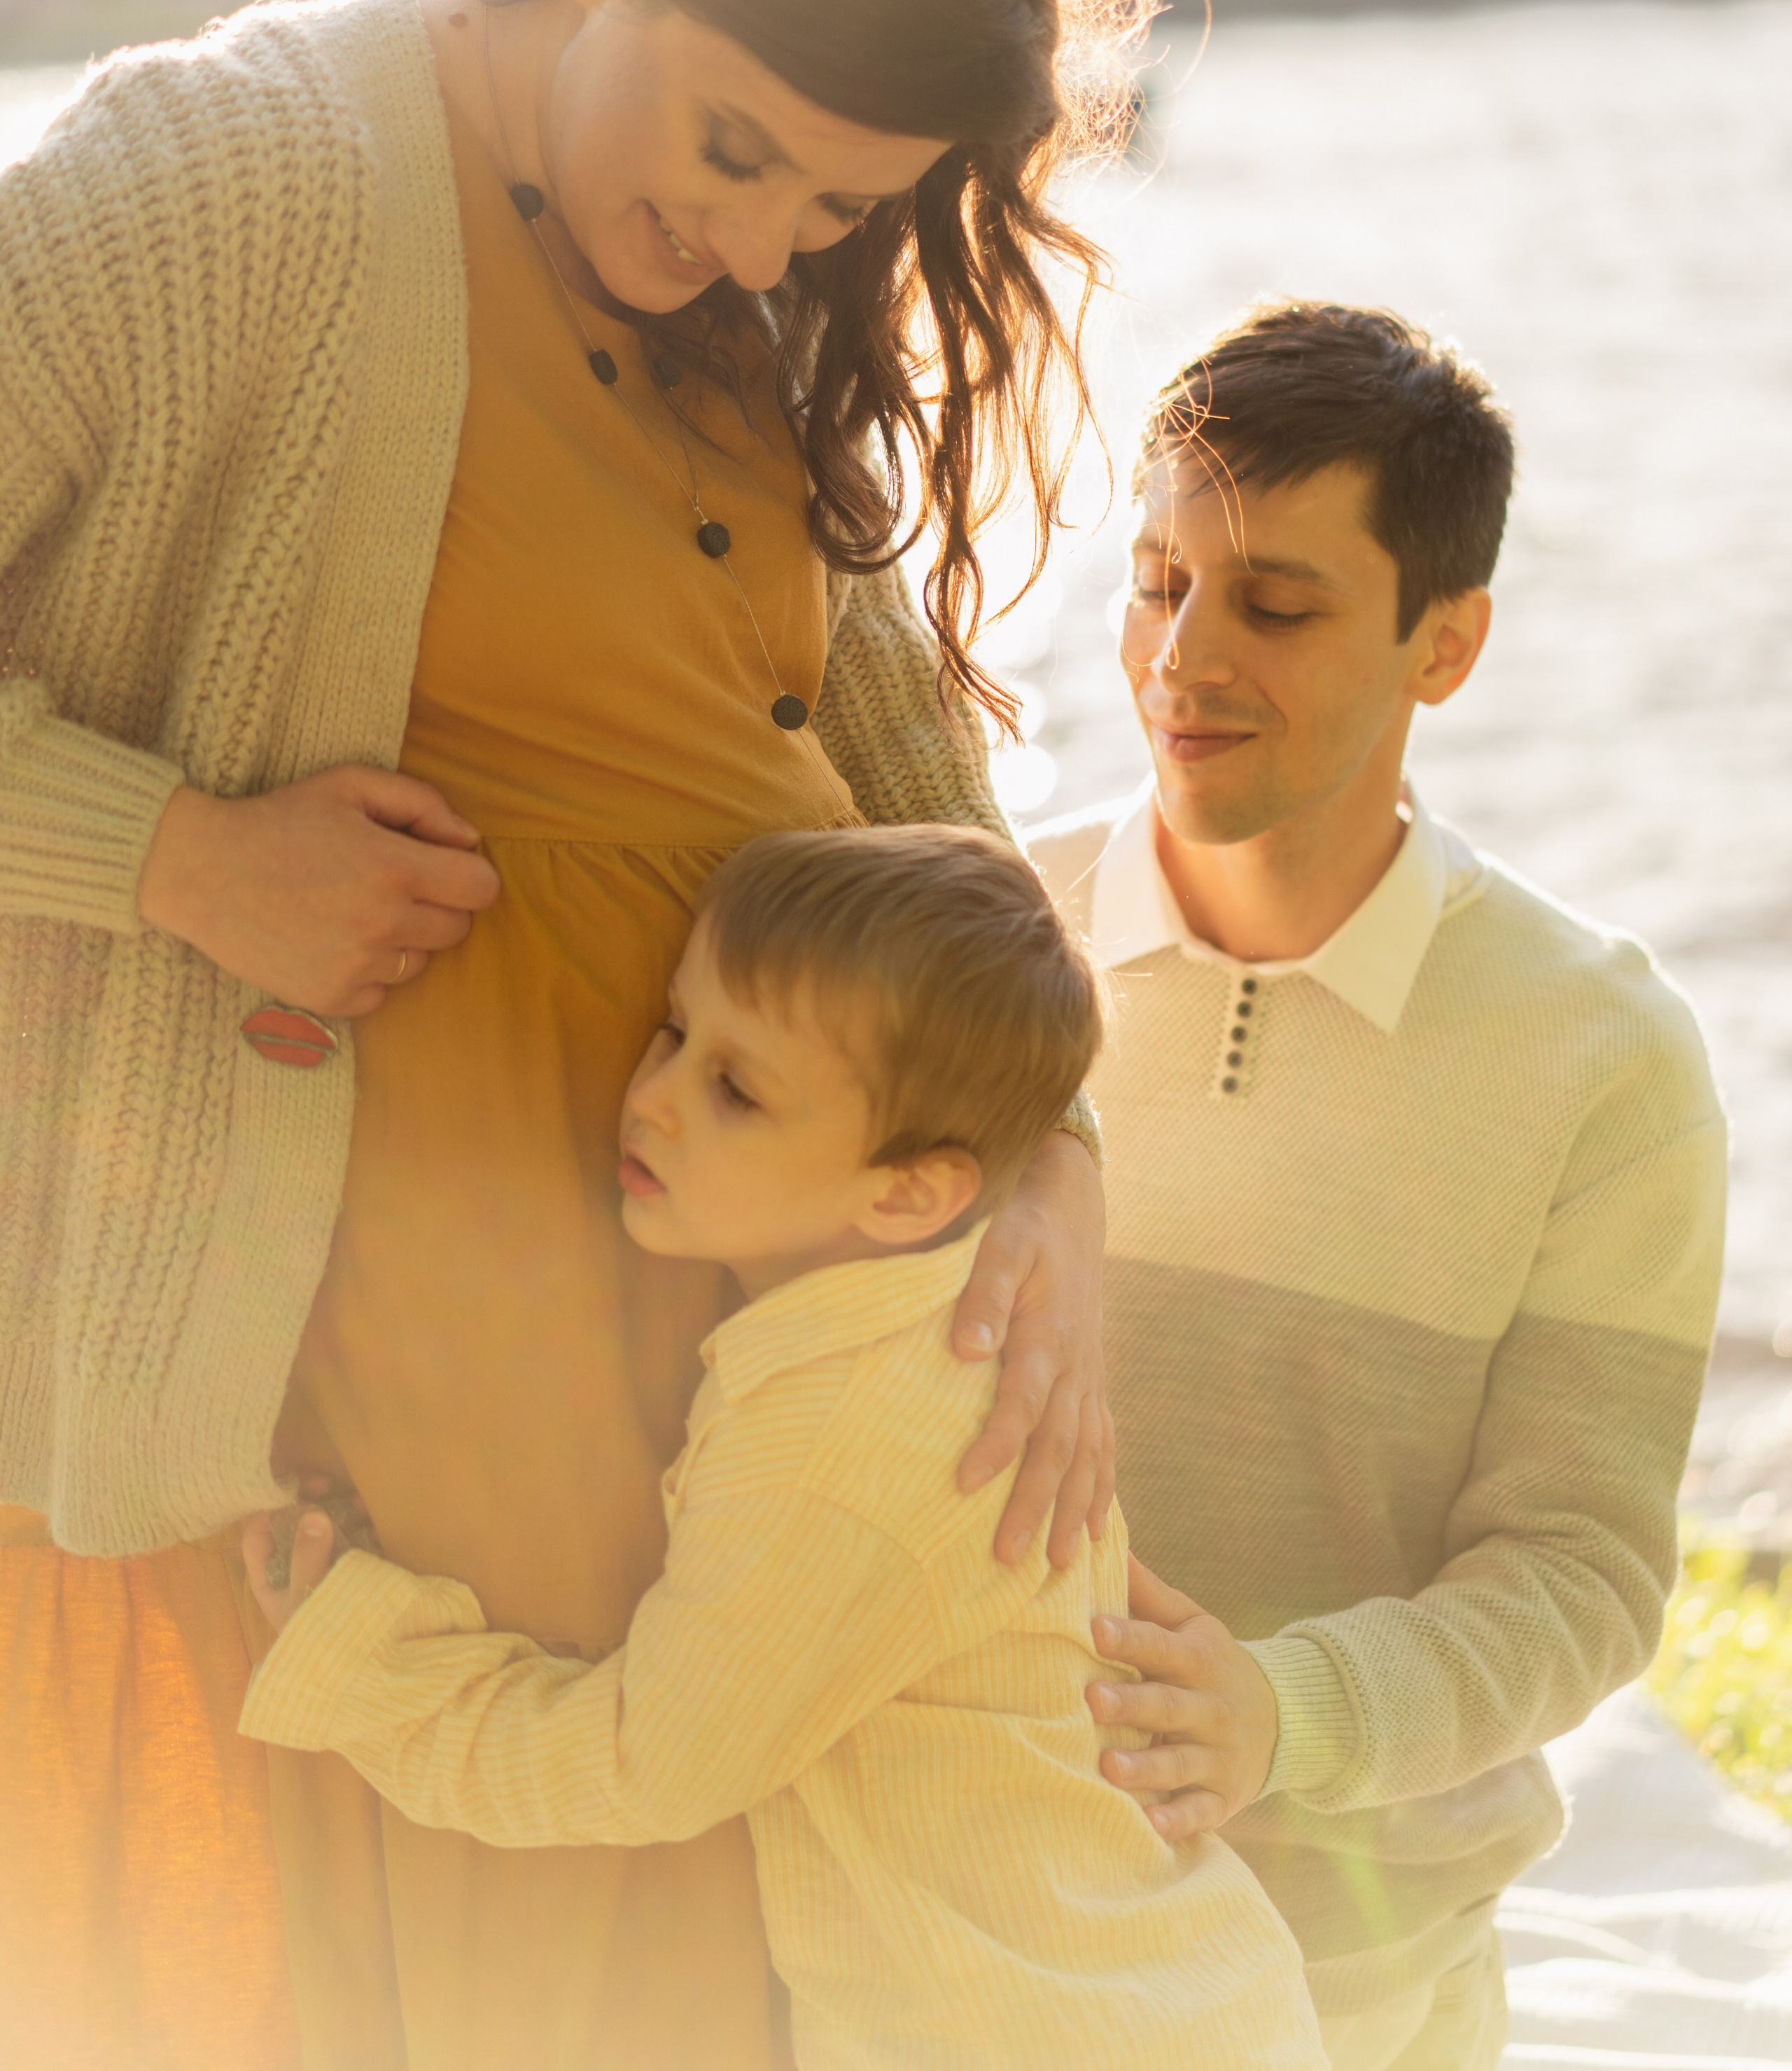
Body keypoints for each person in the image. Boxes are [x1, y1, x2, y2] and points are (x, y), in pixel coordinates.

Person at [0, 0, 1163, 2071]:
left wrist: (1045, 1152)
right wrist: (185, 862)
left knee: (768, 1937)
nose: (756, 244)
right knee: (535, 1945)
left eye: (831, 207)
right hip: (433, 1308)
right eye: (737, 151)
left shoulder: (727, 285)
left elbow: (896, 775)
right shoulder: (225, 181)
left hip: (750, 1283)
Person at [235, 824, 1326, 2071]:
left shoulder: (843, 1444)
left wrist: (360, 1658)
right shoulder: (920, 1327)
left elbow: (643, 1765)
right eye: (672, 1030)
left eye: (736, 1091)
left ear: (909, 1191)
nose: (652, 1096)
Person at [1029, 301, 1726, 2071]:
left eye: (1272, 607)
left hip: (1351, 1963)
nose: (1180, 659)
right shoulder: (980, 940)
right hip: (955, 1903)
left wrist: (1279, 1714)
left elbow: (1573, 1575)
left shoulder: (1600, 1057)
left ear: (1445, 645)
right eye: (1154, 583)